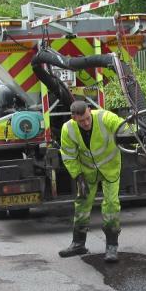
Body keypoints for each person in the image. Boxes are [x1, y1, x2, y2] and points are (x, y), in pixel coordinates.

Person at [58, 100, 124, 262]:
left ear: (90, 110)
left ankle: (111, 247)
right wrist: (78, 177)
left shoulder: (105, 117)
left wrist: (135, 136)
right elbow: (69, 156)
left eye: (87, 118)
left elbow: (124, 127)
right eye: (81, 121)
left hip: (110, 168)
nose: (86, 123)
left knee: (111, 204)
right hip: (87, 171)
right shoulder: (68, 129)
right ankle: (78, 244)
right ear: (74, 118)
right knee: (82, 202)